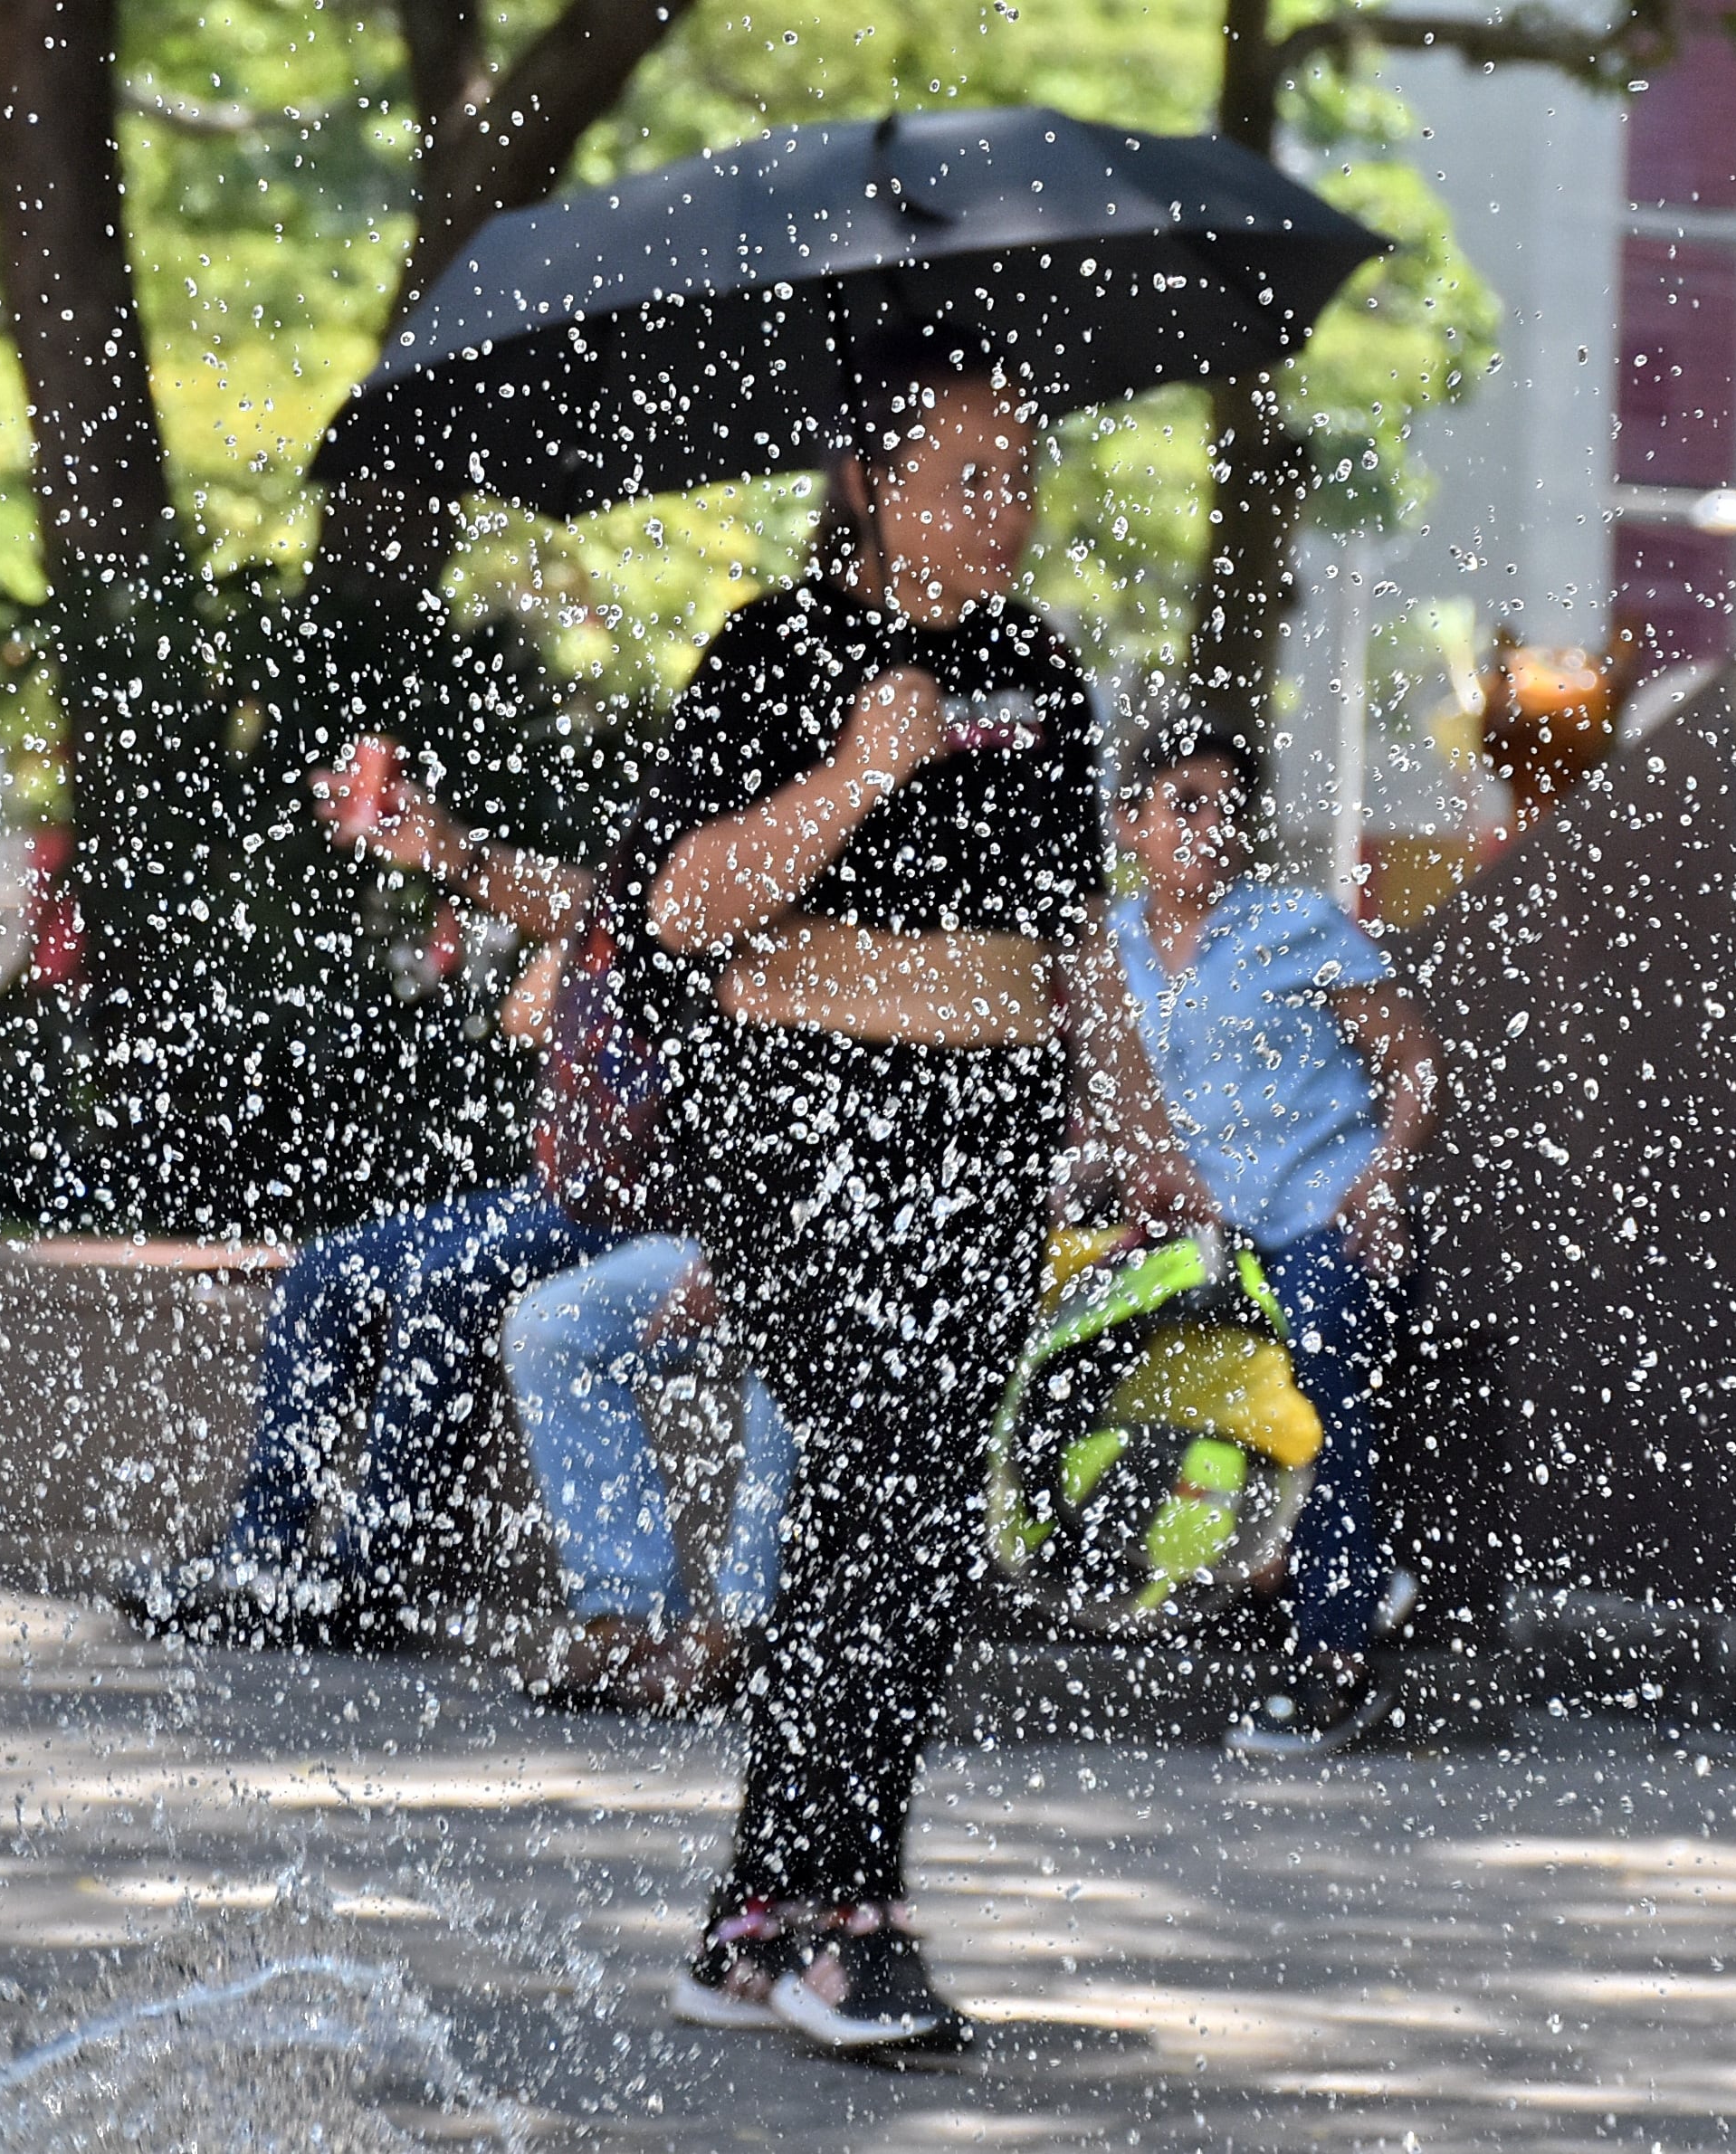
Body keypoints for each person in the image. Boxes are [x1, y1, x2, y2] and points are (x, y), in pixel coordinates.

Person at [621, 325, 1102, 2053]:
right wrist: (860, 770)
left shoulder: (1041, 669)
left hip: (989, 1126)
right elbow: (679, 908)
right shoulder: (771, 651)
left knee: (908, 1506)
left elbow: (1072, 938)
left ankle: (757, 1922)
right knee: (885, 1486)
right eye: (964, 475)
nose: (1003, 506)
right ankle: (841, 1921)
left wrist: (1127, 1129)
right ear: (867, 484)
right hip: (806, 1122)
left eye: (1020, 473)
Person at [124, 762, 619, 1645]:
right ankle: (260, 1550)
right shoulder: (638, 900)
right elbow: (527, 1010)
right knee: (326, 1270)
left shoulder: (732, 892)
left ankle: (376, 1573)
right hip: (551, 1193)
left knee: (448, 1275)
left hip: (639, 1210)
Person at [1094, 720, 1439, 1758]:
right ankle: (1304, 1568)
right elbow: (1099, 1105)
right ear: (1130, 822)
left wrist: (1382, 1180)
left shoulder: (1297, 924)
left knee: (1315, 1364)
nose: (1209, 826)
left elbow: (1414, 1061)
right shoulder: (1103, 948)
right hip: (1189, 1240)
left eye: (1227, 807)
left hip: (1319, 1221)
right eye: (1184, 803)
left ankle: (1333, 1655)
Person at [506, 1234, 798, 1709]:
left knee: (792, 1369)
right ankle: (629, 1609)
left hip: (811, 1261)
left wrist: (731, 1267)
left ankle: (734, 1632)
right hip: (719, 1240)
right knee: (543, 1329)